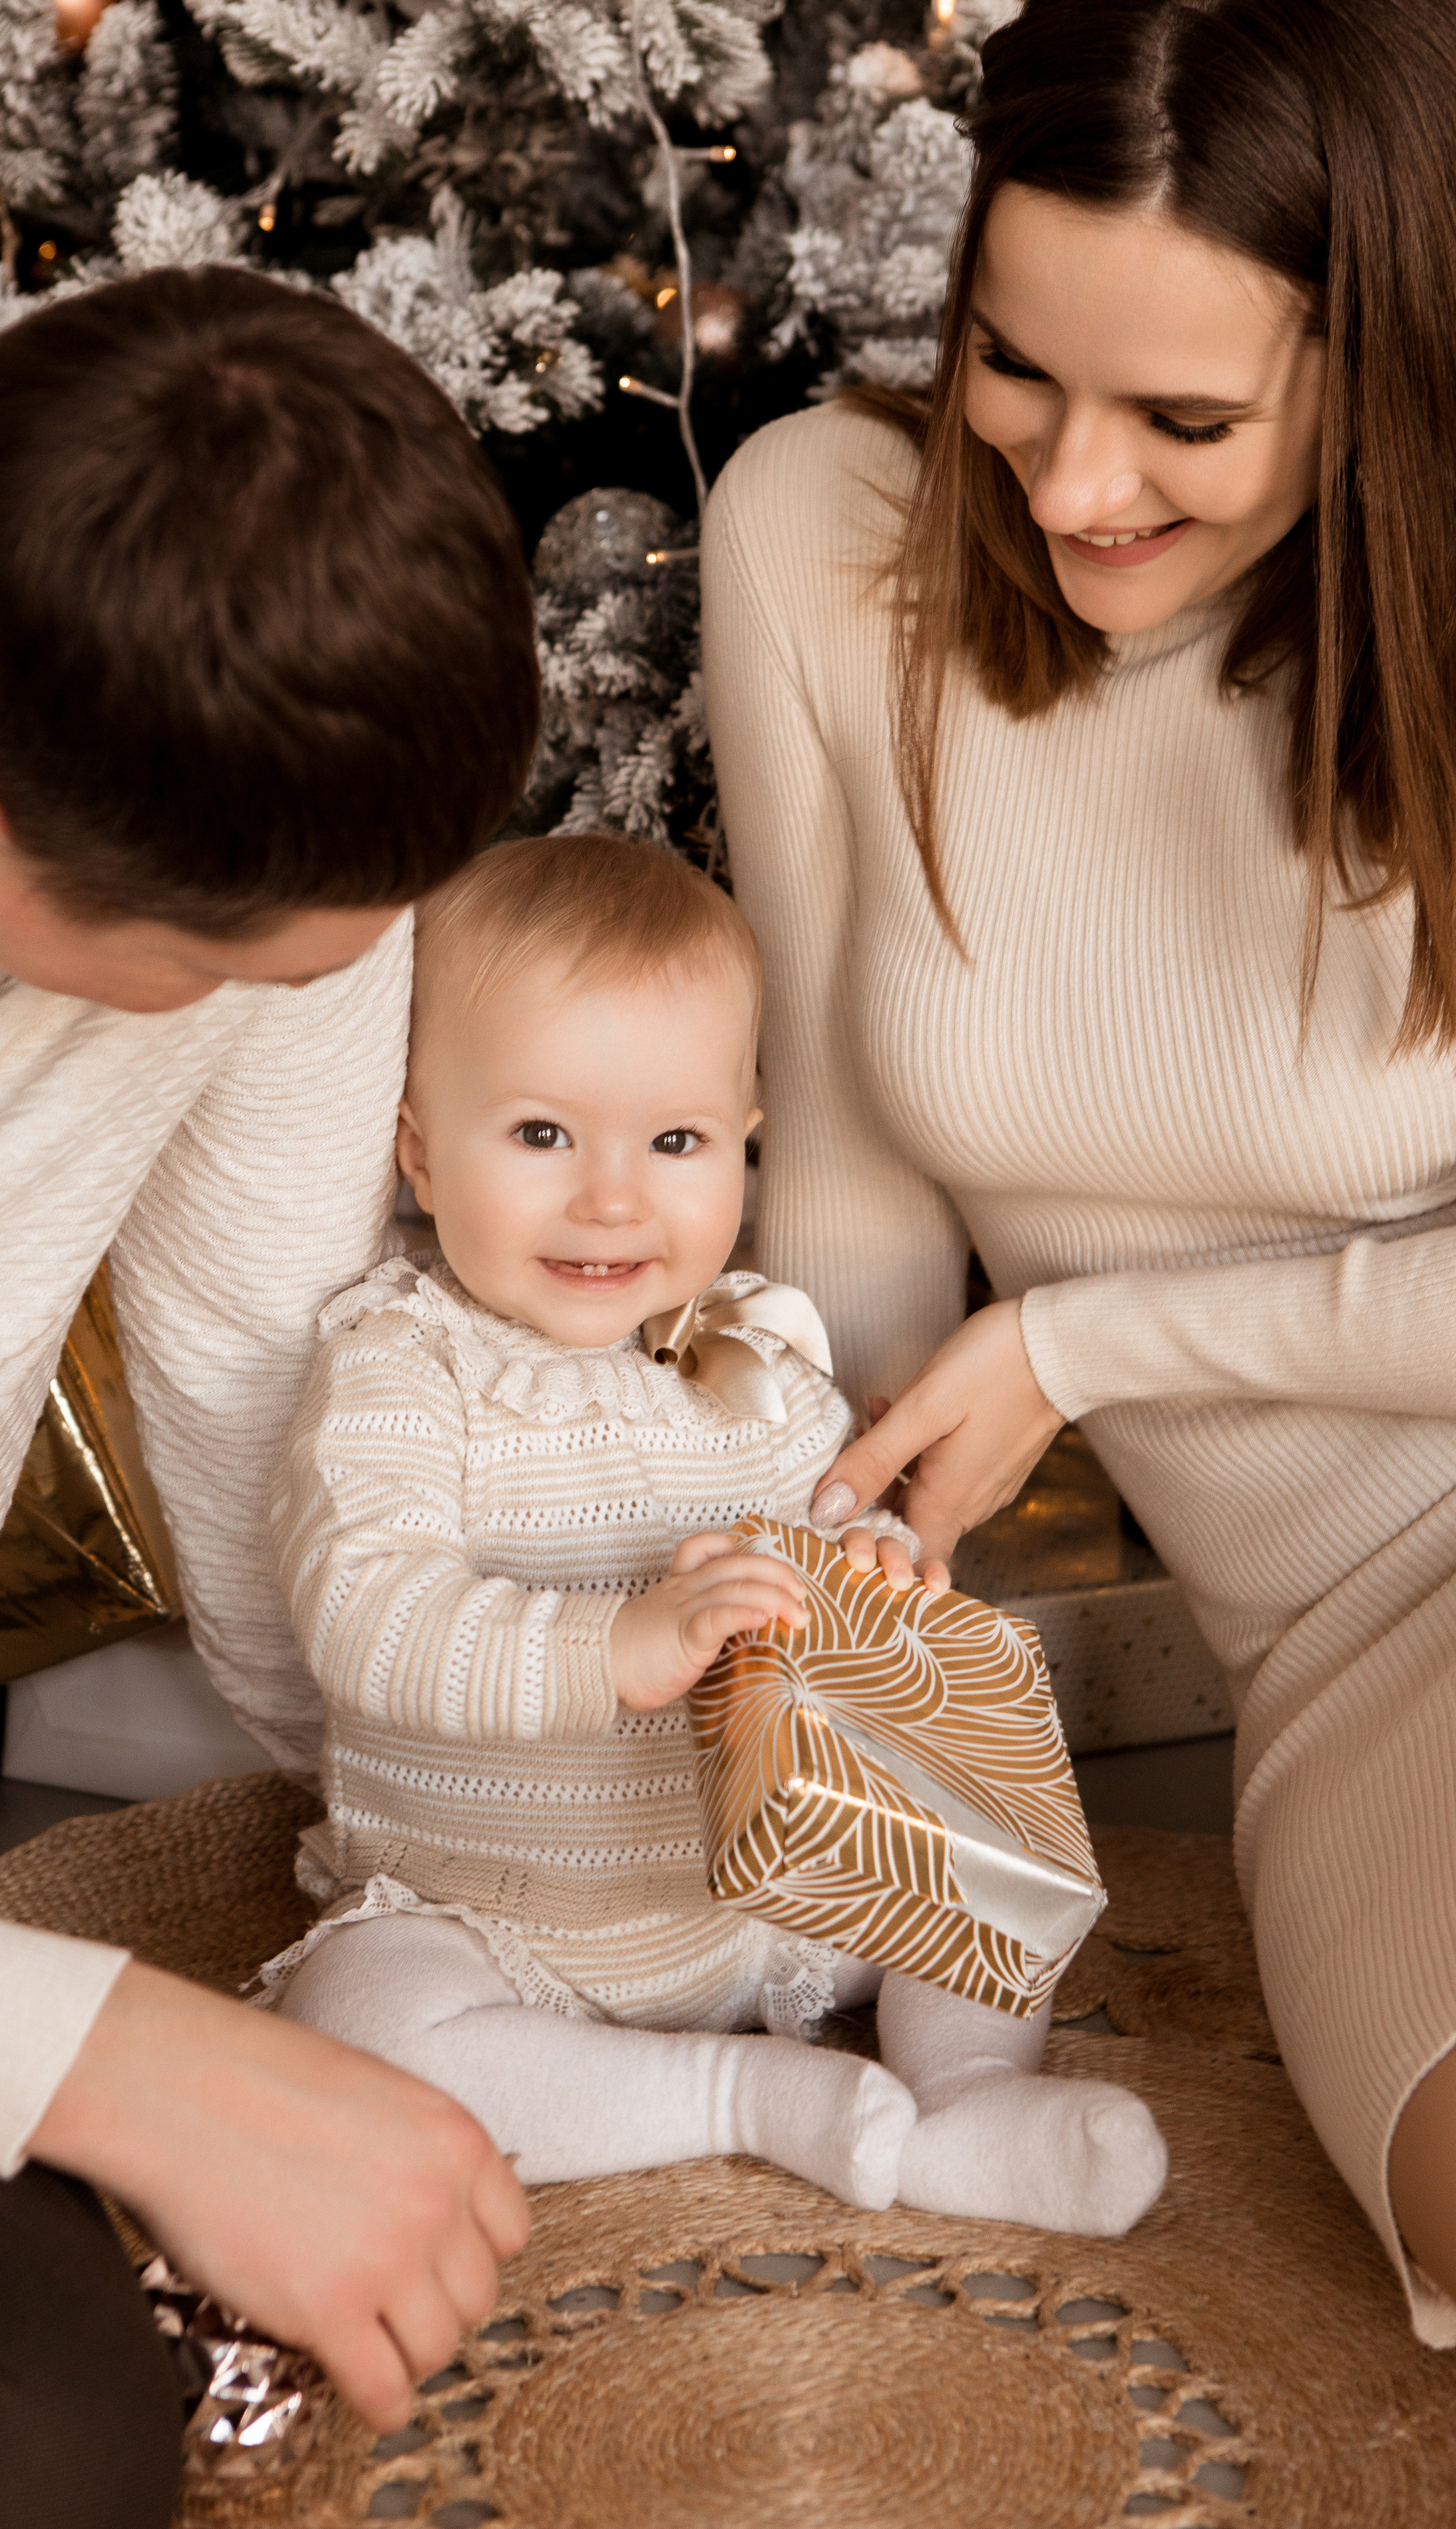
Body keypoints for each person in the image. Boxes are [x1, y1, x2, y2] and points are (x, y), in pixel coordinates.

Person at [0, 266, 536, 2529]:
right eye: (220, 976)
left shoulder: (167, 653)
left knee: (23, 2448)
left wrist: (450, 1825)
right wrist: (103, 2048)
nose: (300, 1008)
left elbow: (247, 1367)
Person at [702, 0, 1456, 2345]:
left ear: (1392, 371)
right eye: (1020, 371)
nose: (1070, 482)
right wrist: (827, 1658)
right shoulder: (821, 539)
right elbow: (843, 1174)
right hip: (1349, 1654)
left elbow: (1038, 1346)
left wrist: (1093, 1341)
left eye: (1188, 420)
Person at [258, 831, 1167, 2237]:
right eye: (542, 1134)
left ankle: (970, 2100)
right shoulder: (398, 1366)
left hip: (776, 1913)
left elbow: (854, 1587)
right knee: (356, 2029)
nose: (612, 1196)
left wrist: (876, 1582)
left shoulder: (758, 1371)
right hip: (506, 1923)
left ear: (743, 1145)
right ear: (419, 1155)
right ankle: (737, 2105)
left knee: (979, 1864)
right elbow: (366, 1616)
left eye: (673, 1141)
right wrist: (614, 1645)